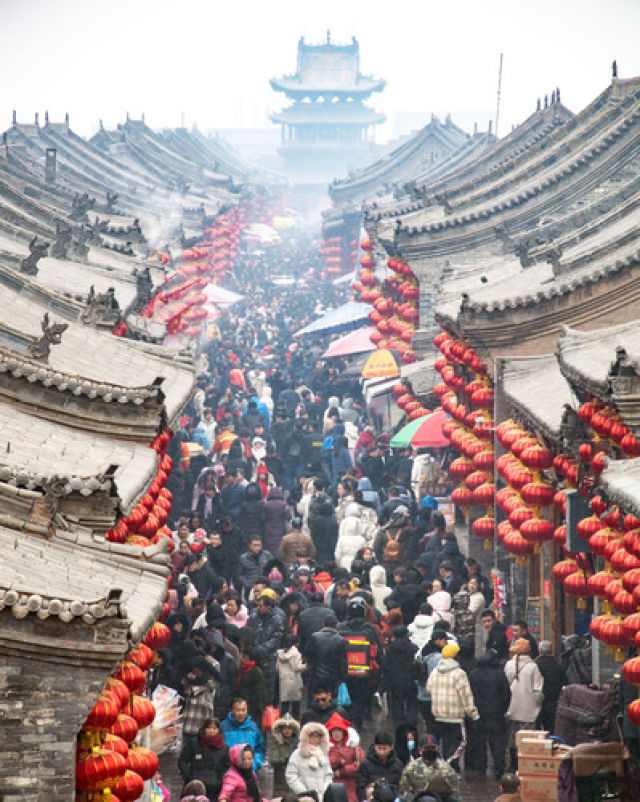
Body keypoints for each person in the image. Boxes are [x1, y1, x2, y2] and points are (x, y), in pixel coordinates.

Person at [426, 643, 479, 770]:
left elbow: (428, 688)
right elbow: (466, 696)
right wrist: (473, 714)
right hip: (455, 716)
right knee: (457, 743)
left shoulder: (435, 671)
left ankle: (443, 765)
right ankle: (449, 767)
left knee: (444, 742)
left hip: (438, 715)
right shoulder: (459, 673)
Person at [467, 649, 511, 779]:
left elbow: (470, 694)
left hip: (479, 713)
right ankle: (499, 767)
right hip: (496, 713)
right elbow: (506, 694)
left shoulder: (474, 675)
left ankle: (481, 766)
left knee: (479, 741)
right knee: (497, 742)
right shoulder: (499, 674)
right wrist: (502, 708)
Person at [338, 597, 380, 726]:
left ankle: (346, 722)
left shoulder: (340, 628)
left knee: (346, 697)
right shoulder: (370, 629)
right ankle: (358, 723)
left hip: (345, 670)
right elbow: (376, 649)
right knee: (360, 698)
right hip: (363, 671)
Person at [504, 638, 544, 771]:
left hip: (511, 708)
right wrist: (539, 704)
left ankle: (512, 765)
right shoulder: (533, 667)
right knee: (526, 739)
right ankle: (524, 764)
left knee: (512, 738)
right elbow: (538, 691)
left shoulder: (508, 665)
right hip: (528, 710)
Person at [179, 717, 230, 800]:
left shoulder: (224, 747)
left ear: (218, 730)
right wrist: (189, 778)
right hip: (195, 787)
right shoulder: (194, 744)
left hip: (215, 788)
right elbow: (183, 761)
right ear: (204, 729)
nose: (211, 731)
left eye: (214, 728)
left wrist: (220, 779)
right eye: (209, 728)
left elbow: (227, 766)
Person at [246, 593, 284, 704]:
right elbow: (249, 633)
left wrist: (262, 649)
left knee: (268, 686)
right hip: (253, 657)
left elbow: (277, 638)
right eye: (257, 605)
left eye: (261, 606)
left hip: (268, 658)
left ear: (268, 606)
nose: (258, 608)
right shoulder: (253, 618)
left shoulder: (277, 620)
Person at [399, 734, 460, 802]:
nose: (430, 751)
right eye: (427, 749)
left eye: (433, 748)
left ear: (438, 749)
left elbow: (455, 793)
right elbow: (404, 792)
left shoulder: (447, 769)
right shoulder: (411, 769)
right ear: (420, 750)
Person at [381, 625, 418, 725]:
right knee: (411, 702)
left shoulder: (390, 648)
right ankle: (411, 722)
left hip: (395, 680)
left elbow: (385, 665)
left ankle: (399, 723)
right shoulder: (413, 647)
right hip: (410, 679)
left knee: (397, 702)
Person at [285, 722, 333, 797]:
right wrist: (304, 792)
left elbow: (328, 775)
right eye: (312, 736)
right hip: (302, 797)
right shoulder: (298, 754)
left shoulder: (323, 754)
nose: (315, 738)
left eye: (318, 736)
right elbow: (291, 775)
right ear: (306, 737)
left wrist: (324, 790)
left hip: (321, 796)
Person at [326, 712, 364, 802]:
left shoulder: (354, 747)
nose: (337, 734)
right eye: (334, 731)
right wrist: (340, 761)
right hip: (331, 784)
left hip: (351, 785)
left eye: (339, 730)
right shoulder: (326, 747)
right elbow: (325, 763)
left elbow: (360, 765)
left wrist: (342, 771)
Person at [305, 614, 347, 697]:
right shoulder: (340, 640)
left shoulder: (315, 637)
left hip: (316, 676)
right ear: (336, 625)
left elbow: (308, 655)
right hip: (333, 678)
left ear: (323, 624)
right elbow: (342, 662)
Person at [355, 731, 404, 801]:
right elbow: (360, 787)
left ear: (391, 747)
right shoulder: (365, 764)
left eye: (384, 749)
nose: (382, 752)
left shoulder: (398, 765)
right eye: (379, 748)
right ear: (375, 746)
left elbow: (401, 787)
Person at [220, 698, 265, 770]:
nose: (241, 713)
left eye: (243, 710)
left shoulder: (253, 727)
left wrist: (255, 764)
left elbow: (260, 748)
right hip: (230, 771)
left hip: (250, 770)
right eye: (238, 710)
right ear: (231, 711)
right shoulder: (223, 727)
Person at [535, 641, 566, 733]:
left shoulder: (535, 666)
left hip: (538, 701)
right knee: (550, 729)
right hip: (553, 702)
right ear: (551, 652)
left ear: (539, 651)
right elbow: (564, 684)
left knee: (537, 731)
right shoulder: (559, 667)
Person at [268, 712, 301, 798]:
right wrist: (285, 760)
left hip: (296, 783)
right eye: (284, 728)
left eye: (289, 728)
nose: (287, 731)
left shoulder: (299, 744)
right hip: (280, 785)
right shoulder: (276, 743)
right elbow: (273, 760)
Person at [277, 635, 305, 719]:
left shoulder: (280, 653)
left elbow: (277, 668)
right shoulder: (296, 653)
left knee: (284, 705)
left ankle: (283, 723)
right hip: (294, 681)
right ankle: (295, 723)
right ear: (296, 643)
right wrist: (306, 666)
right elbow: (297, 667)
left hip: (284, 681)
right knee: (295, 705)